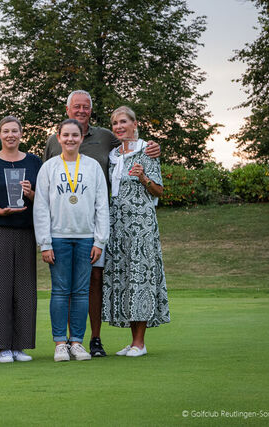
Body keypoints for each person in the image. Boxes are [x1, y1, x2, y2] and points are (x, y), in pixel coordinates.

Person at [43, 90, 160, 357]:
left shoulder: (106, 137)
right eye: (76, 106)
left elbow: (132, 143)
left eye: (86, 106)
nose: (81, 110)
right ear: (67, 109)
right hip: (64, 224)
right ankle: (66, 341)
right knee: (65, 283)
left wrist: (154, 147)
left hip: (99, 221)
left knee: (95, 278)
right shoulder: (53, 140)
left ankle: (93, 339)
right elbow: (46, 182)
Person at [34, 119, 109, 362]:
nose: (70, 139)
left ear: (81, 138)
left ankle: (76, 342)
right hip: (58, 237)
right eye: (65, 135)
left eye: (75, 135)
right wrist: (45, 242)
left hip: (86, 238)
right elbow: (41, 207)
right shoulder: (49, 167)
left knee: (80, 292)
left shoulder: (92, 166)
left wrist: (100, 241)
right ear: (58, 138)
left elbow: (102, 205)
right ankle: (60, 343)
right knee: (60, 291)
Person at [0, 116, 42, 363]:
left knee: (24, 288)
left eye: (15, 131)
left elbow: (44, 198)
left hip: (25, 229)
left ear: (21, 134)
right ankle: (3, 347)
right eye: (6, 131)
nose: (10, 135)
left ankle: (20, 346)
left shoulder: (34, 161)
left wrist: (30, 193)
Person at [102, 106, 170, 357]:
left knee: (140, 277)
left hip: (141, 225)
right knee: (125, 279)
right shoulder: (113, 155)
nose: (119, 127)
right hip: (118, 225)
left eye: (123, 122)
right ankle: (132, 341)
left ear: (134, 124)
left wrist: (144, 178)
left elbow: (159, 190)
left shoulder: (147, 151)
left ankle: (140, 342)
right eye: (115, 123)